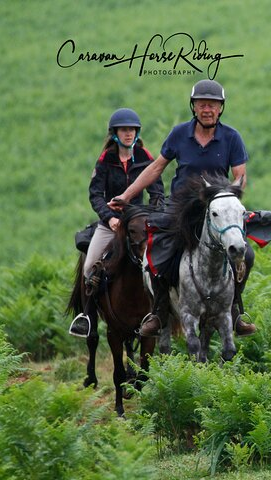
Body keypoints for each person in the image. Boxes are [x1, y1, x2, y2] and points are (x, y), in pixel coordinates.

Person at [108, 79, 257, 338]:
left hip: (216, 210)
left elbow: (239, 178)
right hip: (180, 210)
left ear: (221, 108)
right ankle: (159, 311)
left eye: (213, 105)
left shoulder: (232, 137)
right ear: (194, 107)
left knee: (248, 256)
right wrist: (127, 195)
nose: (207, 109)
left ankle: (234, 311)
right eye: (202, 104)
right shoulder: (179, 134)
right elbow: (156, 168)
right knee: (156, 253)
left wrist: (230, 201)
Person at [69, 108, 164, 337]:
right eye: (124, 130)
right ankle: (87, 318)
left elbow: (157, 191)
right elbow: (95, 195)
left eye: (132, 129)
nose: (129, 133)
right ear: (115, 134)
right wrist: (109, 217)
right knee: (90, 265)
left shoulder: (145, 157)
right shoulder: (106, 159)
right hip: (110, 223)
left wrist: (149, 214)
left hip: (138, 223)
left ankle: (163, 314)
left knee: (162, 264)